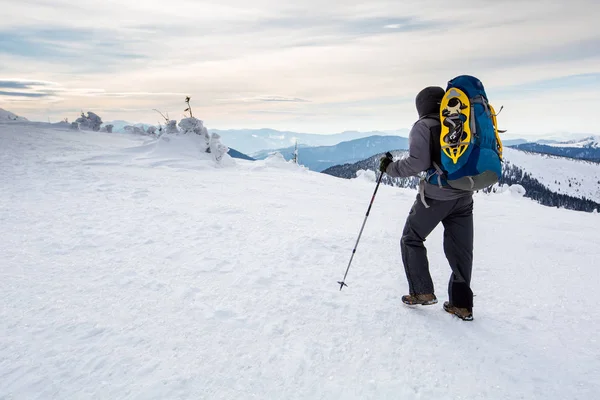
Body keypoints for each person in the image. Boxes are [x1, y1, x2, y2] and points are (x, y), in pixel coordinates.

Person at [379, 86, 475, 321]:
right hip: (464, 195)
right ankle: (461, 305)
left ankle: (422, 291)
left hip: (437, 197)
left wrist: (389, 167)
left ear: (421, 105)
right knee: (461, 250)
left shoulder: (424, 126)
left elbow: (417, 163)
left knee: (411, 237)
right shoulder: (460, 122)